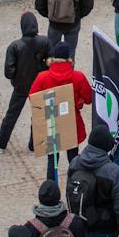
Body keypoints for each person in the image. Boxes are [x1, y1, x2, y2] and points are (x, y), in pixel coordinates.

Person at [28, 39, 93, 186]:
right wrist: (79, 102)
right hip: (72, 123)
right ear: (69, 58)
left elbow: (33, 98)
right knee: (74, 158)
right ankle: (76, 187)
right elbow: (89, 98)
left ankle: (51, 189)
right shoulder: (78, 77)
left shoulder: (42, 77)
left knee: (52, 160)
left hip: (52, 123)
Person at [0, 12, 48, 155]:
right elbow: (50, 62)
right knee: (39, 114)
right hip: (39, 84)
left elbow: (8, 71)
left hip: (21, 85)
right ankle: (35, 144)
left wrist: (17, 77)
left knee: (12, 115)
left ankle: (0, 143)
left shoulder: (15, 46)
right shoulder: (45, 42)